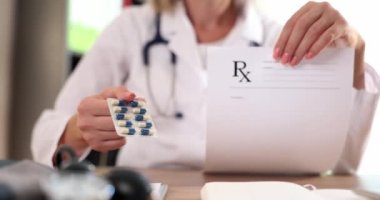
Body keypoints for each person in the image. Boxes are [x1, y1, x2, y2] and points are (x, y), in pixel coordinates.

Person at [32, 0, 379, 173]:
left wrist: (350, 61)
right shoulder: (133, 28)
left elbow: (341, 165)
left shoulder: (279, 36)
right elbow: (45, 134)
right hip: (153, 188)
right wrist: (81, 129)